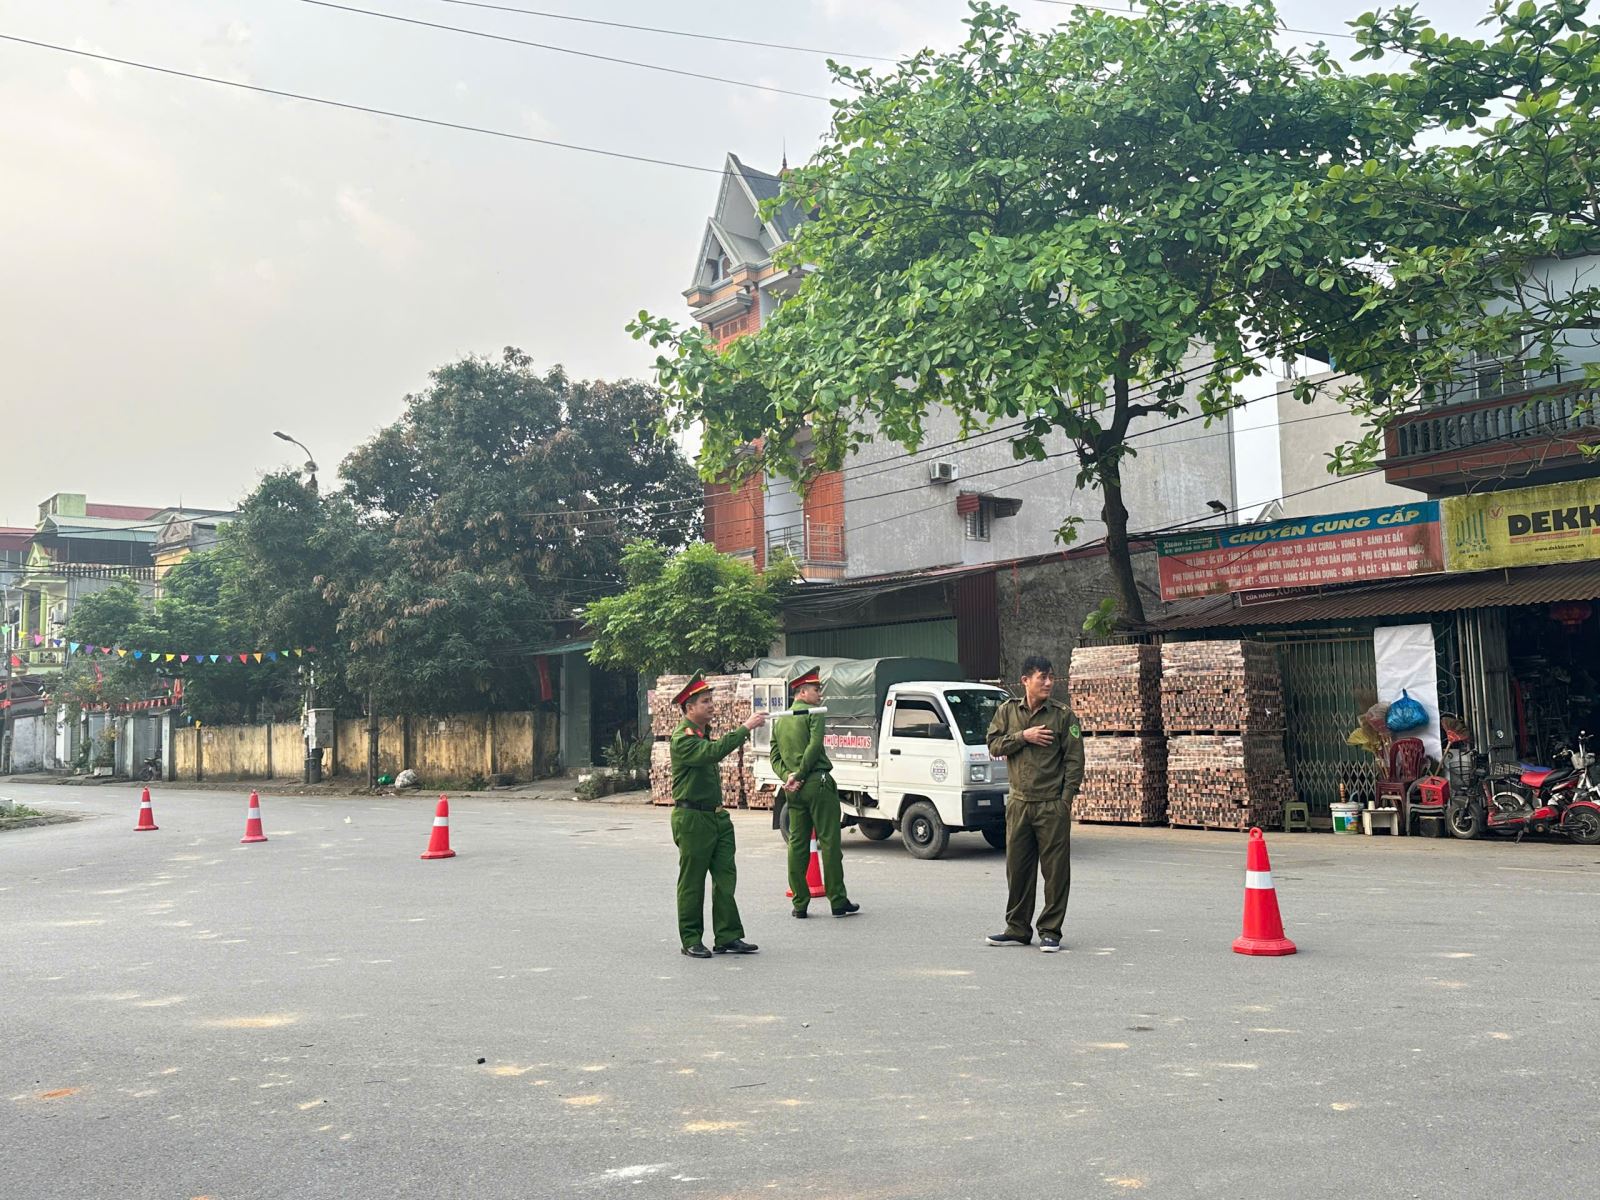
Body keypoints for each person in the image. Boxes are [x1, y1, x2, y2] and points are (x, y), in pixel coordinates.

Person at [984, 654, 1083, 953]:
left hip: (1051, 804)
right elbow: (993, 745)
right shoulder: (1008, 711)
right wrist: (1023, 736)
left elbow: (1075, 760)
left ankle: (1050, 931)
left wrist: (1065, 800)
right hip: (1019, 804)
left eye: (1051, 677)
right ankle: (1017, 929)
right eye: (1043, 677)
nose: (1049, 683)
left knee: (1055, 872)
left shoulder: (1063, 716)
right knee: (1018, 869)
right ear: (1025, 680)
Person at [669, 676, 767, 959]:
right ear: (689, 708)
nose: (712, 705)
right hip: (692, 818)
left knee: (725, 878)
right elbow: (712, 754)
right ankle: (691, 938)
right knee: (692, 881)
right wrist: (745, 728)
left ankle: (727, 935)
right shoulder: (683, 739)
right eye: (705, 701)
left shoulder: (702, 733)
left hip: (717, 817)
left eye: (711, 700)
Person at [771, 667, 859, 919]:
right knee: (830, 843)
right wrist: (800, 774)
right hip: (816, 782)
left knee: (797, 845)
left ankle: (800, 904)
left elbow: (774, 755)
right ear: (802, 692)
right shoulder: (814, 713)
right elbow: (814, 745)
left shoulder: (781, 719)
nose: (820, 695)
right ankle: (837, 901)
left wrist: (788, 777)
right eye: (816, 690)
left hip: (793, 789)